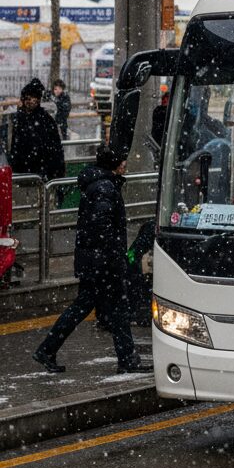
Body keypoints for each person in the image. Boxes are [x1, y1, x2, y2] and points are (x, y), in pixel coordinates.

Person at [33, 148, 151, 374]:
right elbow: (101, 227)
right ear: (115, 165)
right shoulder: (105, 188)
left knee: (88, 307)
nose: (125, 165)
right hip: (103, 264)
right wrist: (114, 259)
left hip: (94, 262)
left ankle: (48, 349)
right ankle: (127, 360)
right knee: (115, 308)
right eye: (122, 162)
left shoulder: (99, 184)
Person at [10, 79, 65, 182]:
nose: (28, 101)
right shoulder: (20, 118)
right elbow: (15, 146)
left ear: (38, 99)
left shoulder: (44, 120)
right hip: (27, 173)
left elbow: (54, 148)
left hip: (40, 174)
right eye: (26, 98)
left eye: (31, 98)